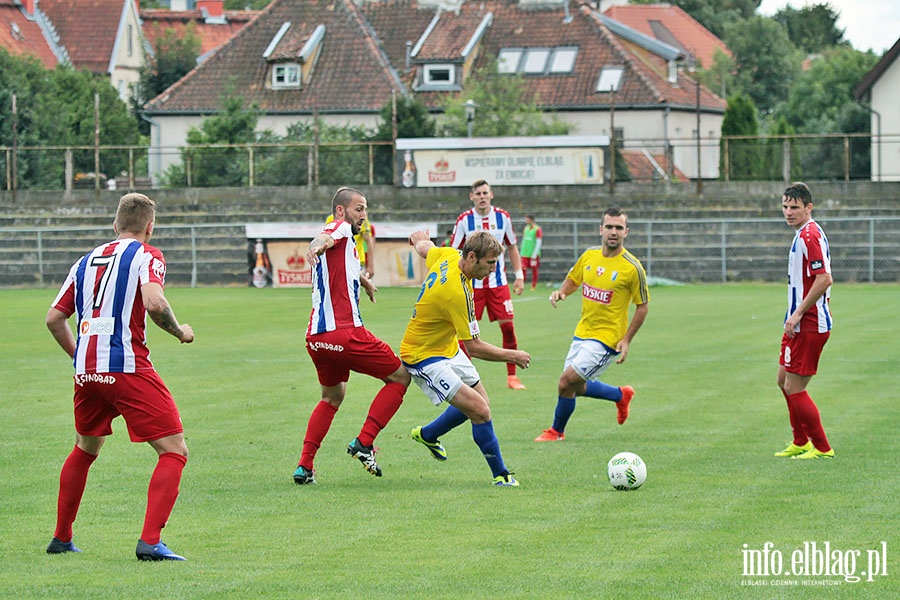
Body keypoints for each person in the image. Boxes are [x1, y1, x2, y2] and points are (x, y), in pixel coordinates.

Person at [45, 193, 195, 561]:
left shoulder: (85, 261)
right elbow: (155, 303)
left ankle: (62, 538)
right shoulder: (148, 254)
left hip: (87, 372)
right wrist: (180, 332)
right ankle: (150, 541)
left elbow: (53, 318)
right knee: (174, 450)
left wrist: (81, 357)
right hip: (127, 367)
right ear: (150, 227)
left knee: (85, 448)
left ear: (115, 226)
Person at [294, 187, 410, 484]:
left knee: (332, 397)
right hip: (344, 333)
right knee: (399, 377)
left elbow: (339, 260)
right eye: (359, 208)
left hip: (316, 339)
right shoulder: (339, 226)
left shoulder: (348, 243)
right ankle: (365, 442)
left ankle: (305, 466)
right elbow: (326, 237)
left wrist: (363, 281)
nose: (364, 215)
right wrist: (315, 246)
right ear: (342, 210)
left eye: (365, 209)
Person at [401, 230, 531, 486]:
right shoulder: (456, 293)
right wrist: (512, 355)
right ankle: (502, 476)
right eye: (490, 263)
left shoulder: (449, 254)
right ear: (472, 257)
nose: (493, 269)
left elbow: (426, 248)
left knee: (480, 402)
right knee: (480, 410)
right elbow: (475, 347)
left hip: (446, 346)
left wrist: (418, 238)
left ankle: (428, 434)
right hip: (424, 355)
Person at [534, 207, 649, 442]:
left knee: (566, 381)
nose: (613, 232)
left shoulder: (632, 267)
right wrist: (562, 292)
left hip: (607, 340)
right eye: (609, 227)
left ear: (626, 232)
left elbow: (642, 306)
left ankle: (556, 432)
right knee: (573, 387)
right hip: (582, 333)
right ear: (601, 229)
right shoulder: (589, 256)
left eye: (618, 227)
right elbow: (574, 279)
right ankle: (620, 395)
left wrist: (626, 340)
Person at [774, 182, 834, 459]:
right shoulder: (802, 233)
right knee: (783, 380)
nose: (788, 212)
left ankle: (822, 448)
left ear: (809, 207)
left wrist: (798, 313)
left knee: (794, 389)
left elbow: (824, 279)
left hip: (809, 323)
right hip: (796, 323)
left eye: (795, 207)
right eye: (785, 206)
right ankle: (800, 441)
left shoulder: (810, 235)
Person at [450, 179, 527, 390]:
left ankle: (512, 377)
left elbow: (511, 246)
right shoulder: (464, 220)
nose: (482, 197)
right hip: (471, 286)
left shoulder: (503, 217)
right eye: (478, 193)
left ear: (491, 195)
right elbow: (453, 250)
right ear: (472, 197)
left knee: (508, 327)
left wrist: (518, 275)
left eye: (485, 193)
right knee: (465, 334)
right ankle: (464, 379)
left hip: (498, 284)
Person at [326, 213, 375, 279]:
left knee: (350, 286)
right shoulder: (331, 218)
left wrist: (370, 266)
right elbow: (327, 238)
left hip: (356, 261)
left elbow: (369, 241)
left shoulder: (361, 219)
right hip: (338, 261)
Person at [520, 215, 543, 291]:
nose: (526, 221)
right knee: (523, 268)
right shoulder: (526, 228)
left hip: (533, 254)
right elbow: (524, 240)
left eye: (527, 220)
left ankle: (533, 285)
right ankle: (521, 285)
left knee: (534, 269)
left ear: (531, 220)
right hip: (525, 253)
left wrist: (534, 254)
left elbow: (538, 242)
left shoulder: (537, 229)